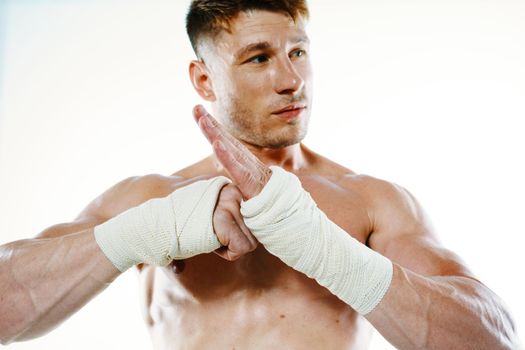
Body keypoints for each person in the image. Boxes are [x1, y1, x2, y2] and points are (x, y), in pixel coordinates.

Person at [0, 0, 520, 349]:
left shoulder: (369, 202)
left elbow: (491, 338)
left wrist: (326, 250)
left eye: (298, 52)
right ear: (204, 80)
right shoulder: (154, 200)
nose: (291, 80)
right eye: (258, 58)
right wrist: (141, 233)